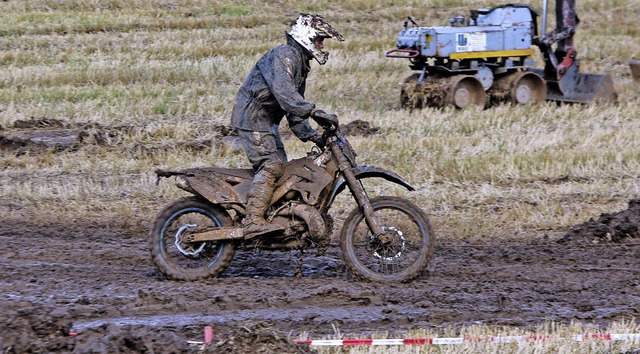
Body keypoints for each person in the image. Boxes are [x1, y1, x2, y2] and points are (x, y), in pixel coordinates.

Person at [231, 13, 344, 238]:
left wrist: (314, 136)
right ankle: (252, 220)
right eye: (319, 39)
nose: (321, 45)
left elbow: (294, 113)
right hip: (253, 117)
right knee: (271, 166)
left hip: (266, 121)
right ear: (307, 36)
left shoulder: (300, 63)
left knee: (281, 170)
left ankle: (273, 217)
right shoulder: (285, 55)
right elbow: (285, 95)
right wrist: (315, 111)